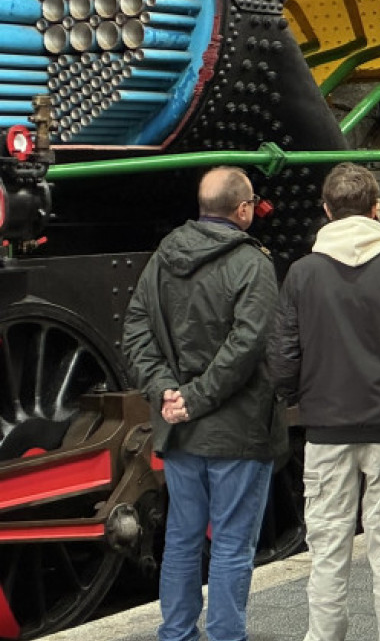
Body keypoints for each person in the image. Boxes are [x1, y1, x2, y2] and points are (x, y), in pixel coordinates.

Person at [269, 163, 380, 641]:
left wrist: (299, 397)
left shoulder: (302, 275)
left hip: (326, 429)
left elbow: (282, 359)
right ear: (375, 210)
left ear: (327, 212)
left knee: (327, 550)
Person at [122, 166, 283, 641]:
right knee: (232, 544)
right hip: (236, 430)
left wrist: (165, 391)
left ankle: (175, 633)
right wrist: (193, 397)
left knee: (181, 539)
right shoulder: (253, 264)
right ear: (244, 209)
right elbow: (248, 345)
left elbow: (135, 329)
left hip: (179, 430)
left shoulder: (162, 257)